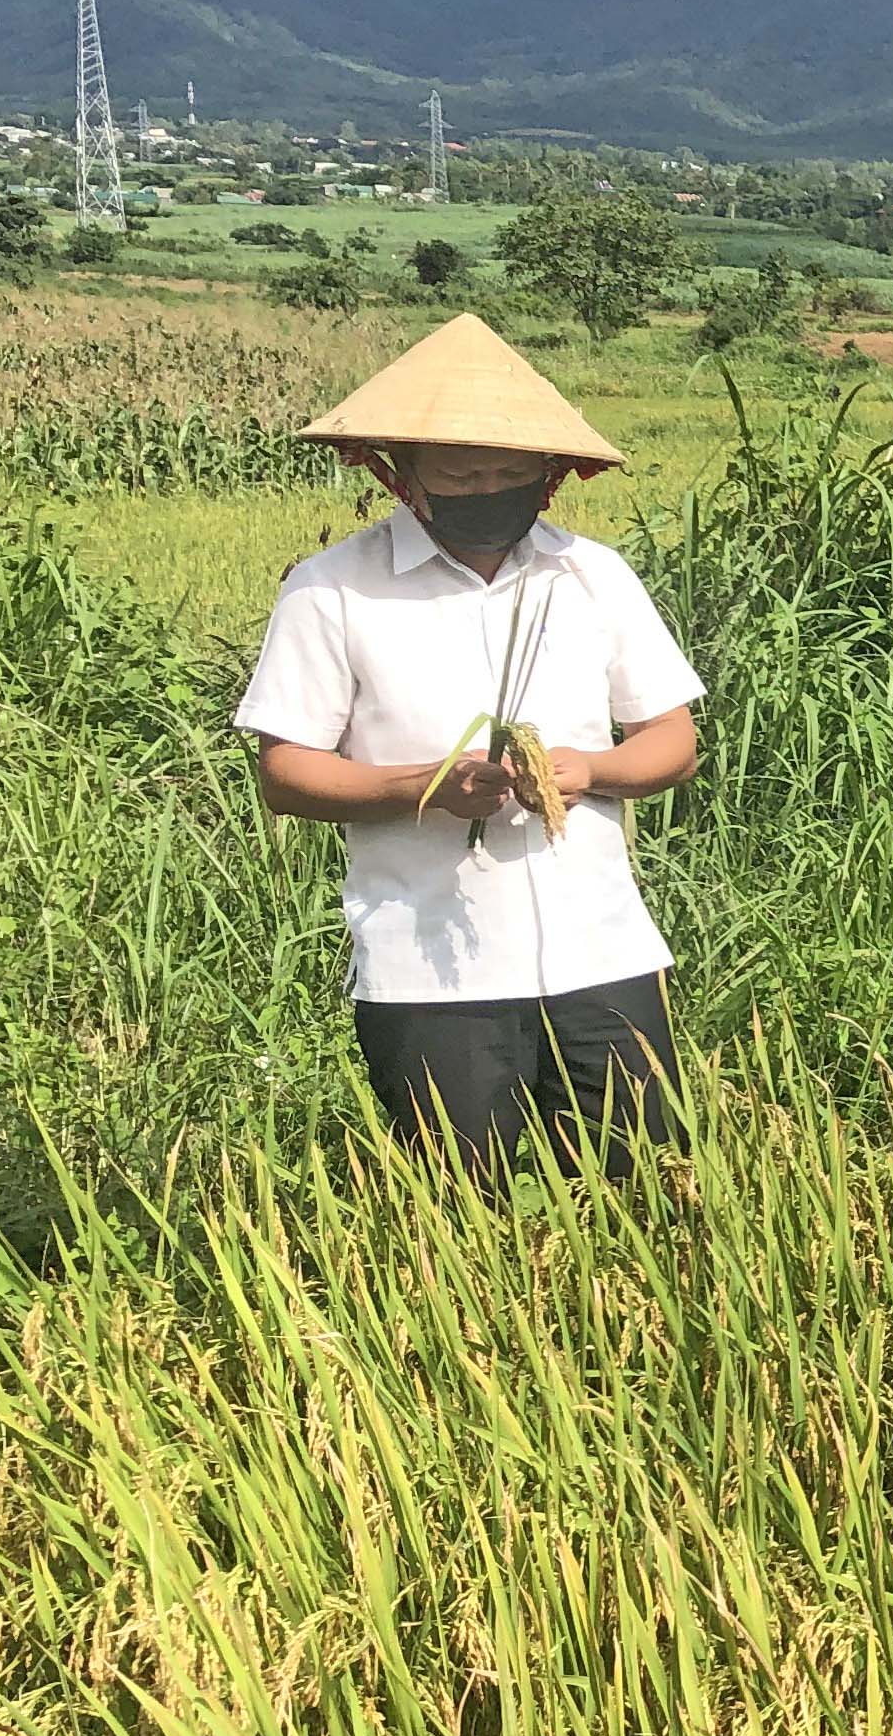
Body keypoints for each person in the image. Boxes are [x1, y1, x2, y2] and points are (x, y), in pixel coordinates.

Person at [236, 313, 701, 1172]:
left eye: (508, 472)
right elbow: (286, 771)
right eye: (460, 472)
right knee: (463, 1198)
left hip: (601, 949)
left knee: (646, 1184)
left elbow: (672, 739)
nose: (487, 487)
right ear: (402, 472)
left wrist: (590, 770)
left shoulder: (593, 576)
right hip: (430, 964)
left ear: (548, 476)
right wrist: (427, 786)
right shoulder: (333, 588)